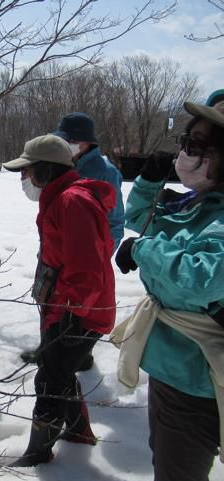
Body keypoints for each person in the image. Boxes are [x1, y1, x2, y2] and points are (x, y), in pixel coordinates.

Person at [114, 99, 224, 481]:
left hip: (199, 379)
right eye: (184, 142)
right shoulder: (202, 201)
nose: (184, 153)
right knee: (167, 459)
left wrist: (144, 250)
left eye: (196, 146)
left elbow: (202, 280)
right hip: (174, 367)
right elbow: (141, 220)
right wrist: (148, 182)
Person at [3, 134, 116, 467]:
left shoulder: (72, 202)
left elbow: (88, 267)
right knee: (59, 370)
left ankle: (37, 454)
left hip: (80, 311)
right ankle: (80, 433)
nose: (24, 179)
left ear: (46, 170)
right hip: (62, 306)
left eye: (28, 171)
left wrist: (72, 314)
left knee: (50, 377)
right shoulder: (57, 197)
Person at [20, 112, 125, 370]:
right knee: (50, 298)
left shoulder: (104, 171)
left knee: (76, 305)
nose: (65, 144)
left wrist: (98, 254)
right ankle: (49, 346)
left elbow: (115, 220)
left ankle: (75, 354)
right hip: (57, 246)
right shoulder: (62, 162)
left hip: (85, 253)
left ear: (85, 143)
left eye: (69, 140)